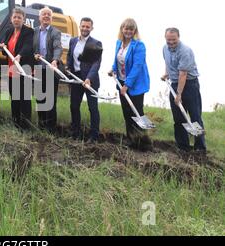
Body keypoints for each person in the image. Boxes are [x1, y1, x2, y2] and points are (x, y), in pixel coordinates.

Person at [108, 18, 152, 150]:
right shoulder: (119, 43)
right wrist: (113, 69)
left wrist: (127, 85)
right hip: (121, 82)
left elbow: (137, 66)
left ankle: (144, 143)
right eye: (126, 28)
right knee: (127, 112)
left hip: (135, 84)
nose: (128, 31)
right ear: (122, 29)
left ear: (134, 31)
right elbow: (117, 60)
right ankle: (131, 140)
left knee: (136, 113)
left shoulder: (139, 45)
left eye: (131, 29)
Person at [161, 27, 206, 152]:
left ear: (178, 37)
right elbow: (167, 62)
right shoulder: (165, 48)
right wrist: (167, 73)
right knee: (178, 118)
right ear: (165, 38)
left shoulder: (185, 51)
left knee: (195, 116)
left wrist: (179, 94)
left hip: (190, 85)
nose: (171, 43)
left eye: (174, 40)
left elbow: (183, 74)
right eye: (169, 40)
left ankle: (200, 148)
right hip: (175, 83)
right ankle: (183, 147)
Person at [67, 17, 102, 142]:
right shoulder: (73, 41)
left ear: (91, 28)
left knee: (93, 108)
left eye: (88, 27)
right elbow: (70, 57)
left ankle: (94, 136)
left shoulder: (96, 44)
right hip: (76, 79)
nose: (85, 28)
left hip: (90, 80)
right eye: (83, 26)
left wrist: (88, 78)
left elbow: (96, 64)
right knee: (74, 106)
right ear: (80, 27)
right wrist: (68, 68)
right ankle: (76, 133)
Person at [0, 7, 34, 129]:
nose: (17, 19)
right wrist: (2, 46)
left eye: (19, 17)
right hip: (12, 70)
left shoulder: (28, 32)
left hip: (24, 69)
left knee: (24, 98)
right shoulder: (9, 31)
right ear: (11, 19)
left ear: (23, 19)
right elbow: (5, 47)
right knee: (14, 98)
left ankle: (25, 126)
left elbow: (28, 46)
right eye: (15, 17)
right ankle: (16, 123)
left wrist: (19, 55)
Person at [33, 6, 62, 133]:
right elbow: (32, 48)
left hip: (50, 69)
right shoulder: (35, 32)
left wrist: (55, 60)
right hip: (39, 70)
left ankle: (51, 129)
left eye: (48, 15)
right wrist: (34, 54)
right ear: (39, 17)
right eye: (44, 14)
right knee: (40, 98)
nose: (46, 16)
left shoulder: (55, 32)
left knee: (50, 100)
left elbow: (57, 48)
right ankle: (41, 126)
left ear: (51, 18)